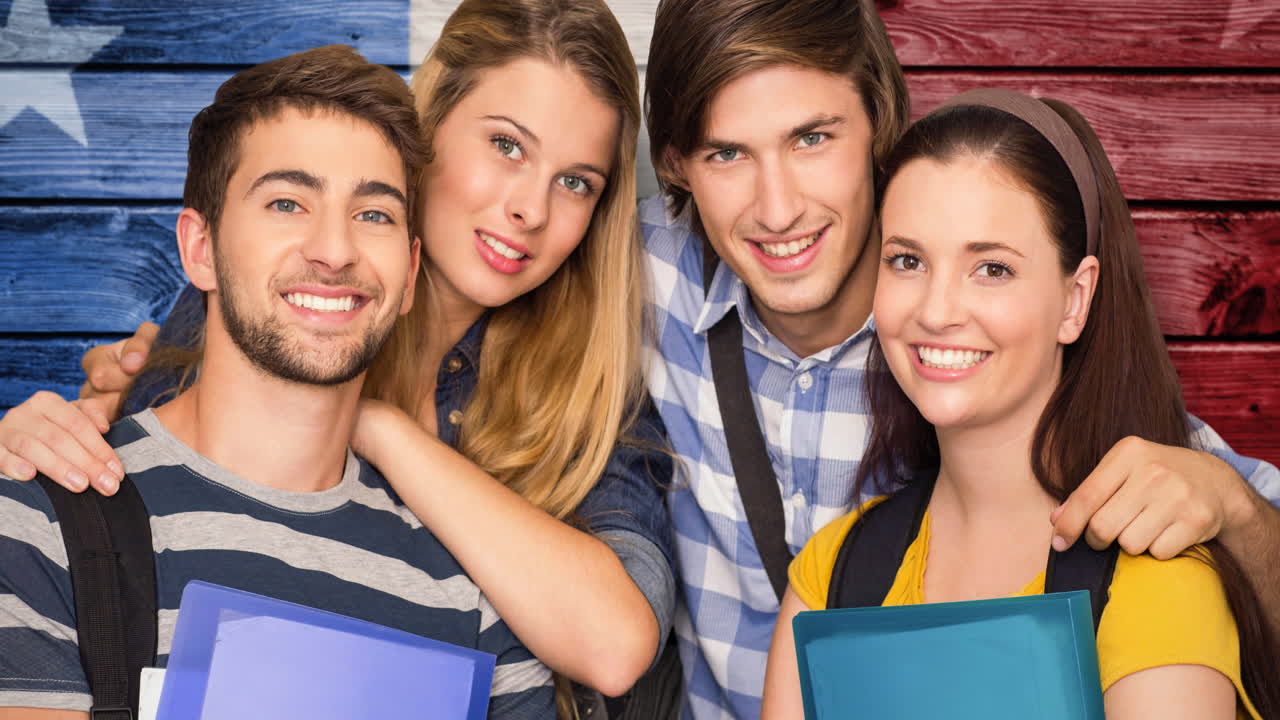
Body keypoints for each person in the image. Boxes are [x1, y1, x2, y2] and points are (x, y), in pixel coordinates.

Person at [0, 0, 674, 715]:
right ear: (429, 134)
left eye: (576, 182)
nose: (530, 209)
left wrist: (376, 427)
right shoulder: (268, 290)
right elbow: (132, 507)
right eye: (507, 145)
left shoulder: (590, 394)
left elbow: (615, 643)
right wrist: (37, 451)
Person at [639, 0, 1280, 716]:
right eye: (727, 153)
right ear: (676, 165)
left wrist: (1233, 508)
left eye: (812, 138)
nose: (778, 207)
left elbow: (1182, 491)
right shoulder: (635, 275)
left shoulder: (1148, 568)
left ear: (877, 126)